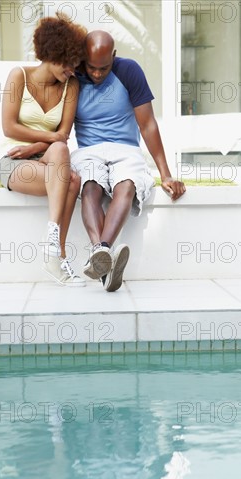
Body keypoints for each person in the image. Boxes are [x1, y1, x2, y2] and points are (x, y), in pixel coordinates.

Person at [71, 30, 186, 292]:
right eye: (91, 67)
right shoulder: (73, 75)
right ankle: (104, 260)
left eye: (104, 67)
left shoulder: (129, 71)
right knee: (90, 185)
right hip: (88, 150)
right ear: (82, 59)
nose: (97, 74)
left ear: (114, 56)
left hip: (126, 149)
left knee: (127, 183)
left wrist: (166, 174)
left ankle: (101, 252)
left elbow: (147, 125)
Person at [0, 14, 87, 286]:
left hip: (46, 156)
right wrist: (45, 139)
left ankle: (51, 244)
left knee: (60, 151)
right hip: (14, 161)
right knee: (71, 181)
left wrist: (36, 146)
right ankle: (57, 256)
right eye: (69, 63)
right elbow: (9, 128)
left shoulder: (71, 86)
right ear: (52, 53)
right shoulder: (19, 76)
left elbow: (63, 136)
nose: (72, 70)